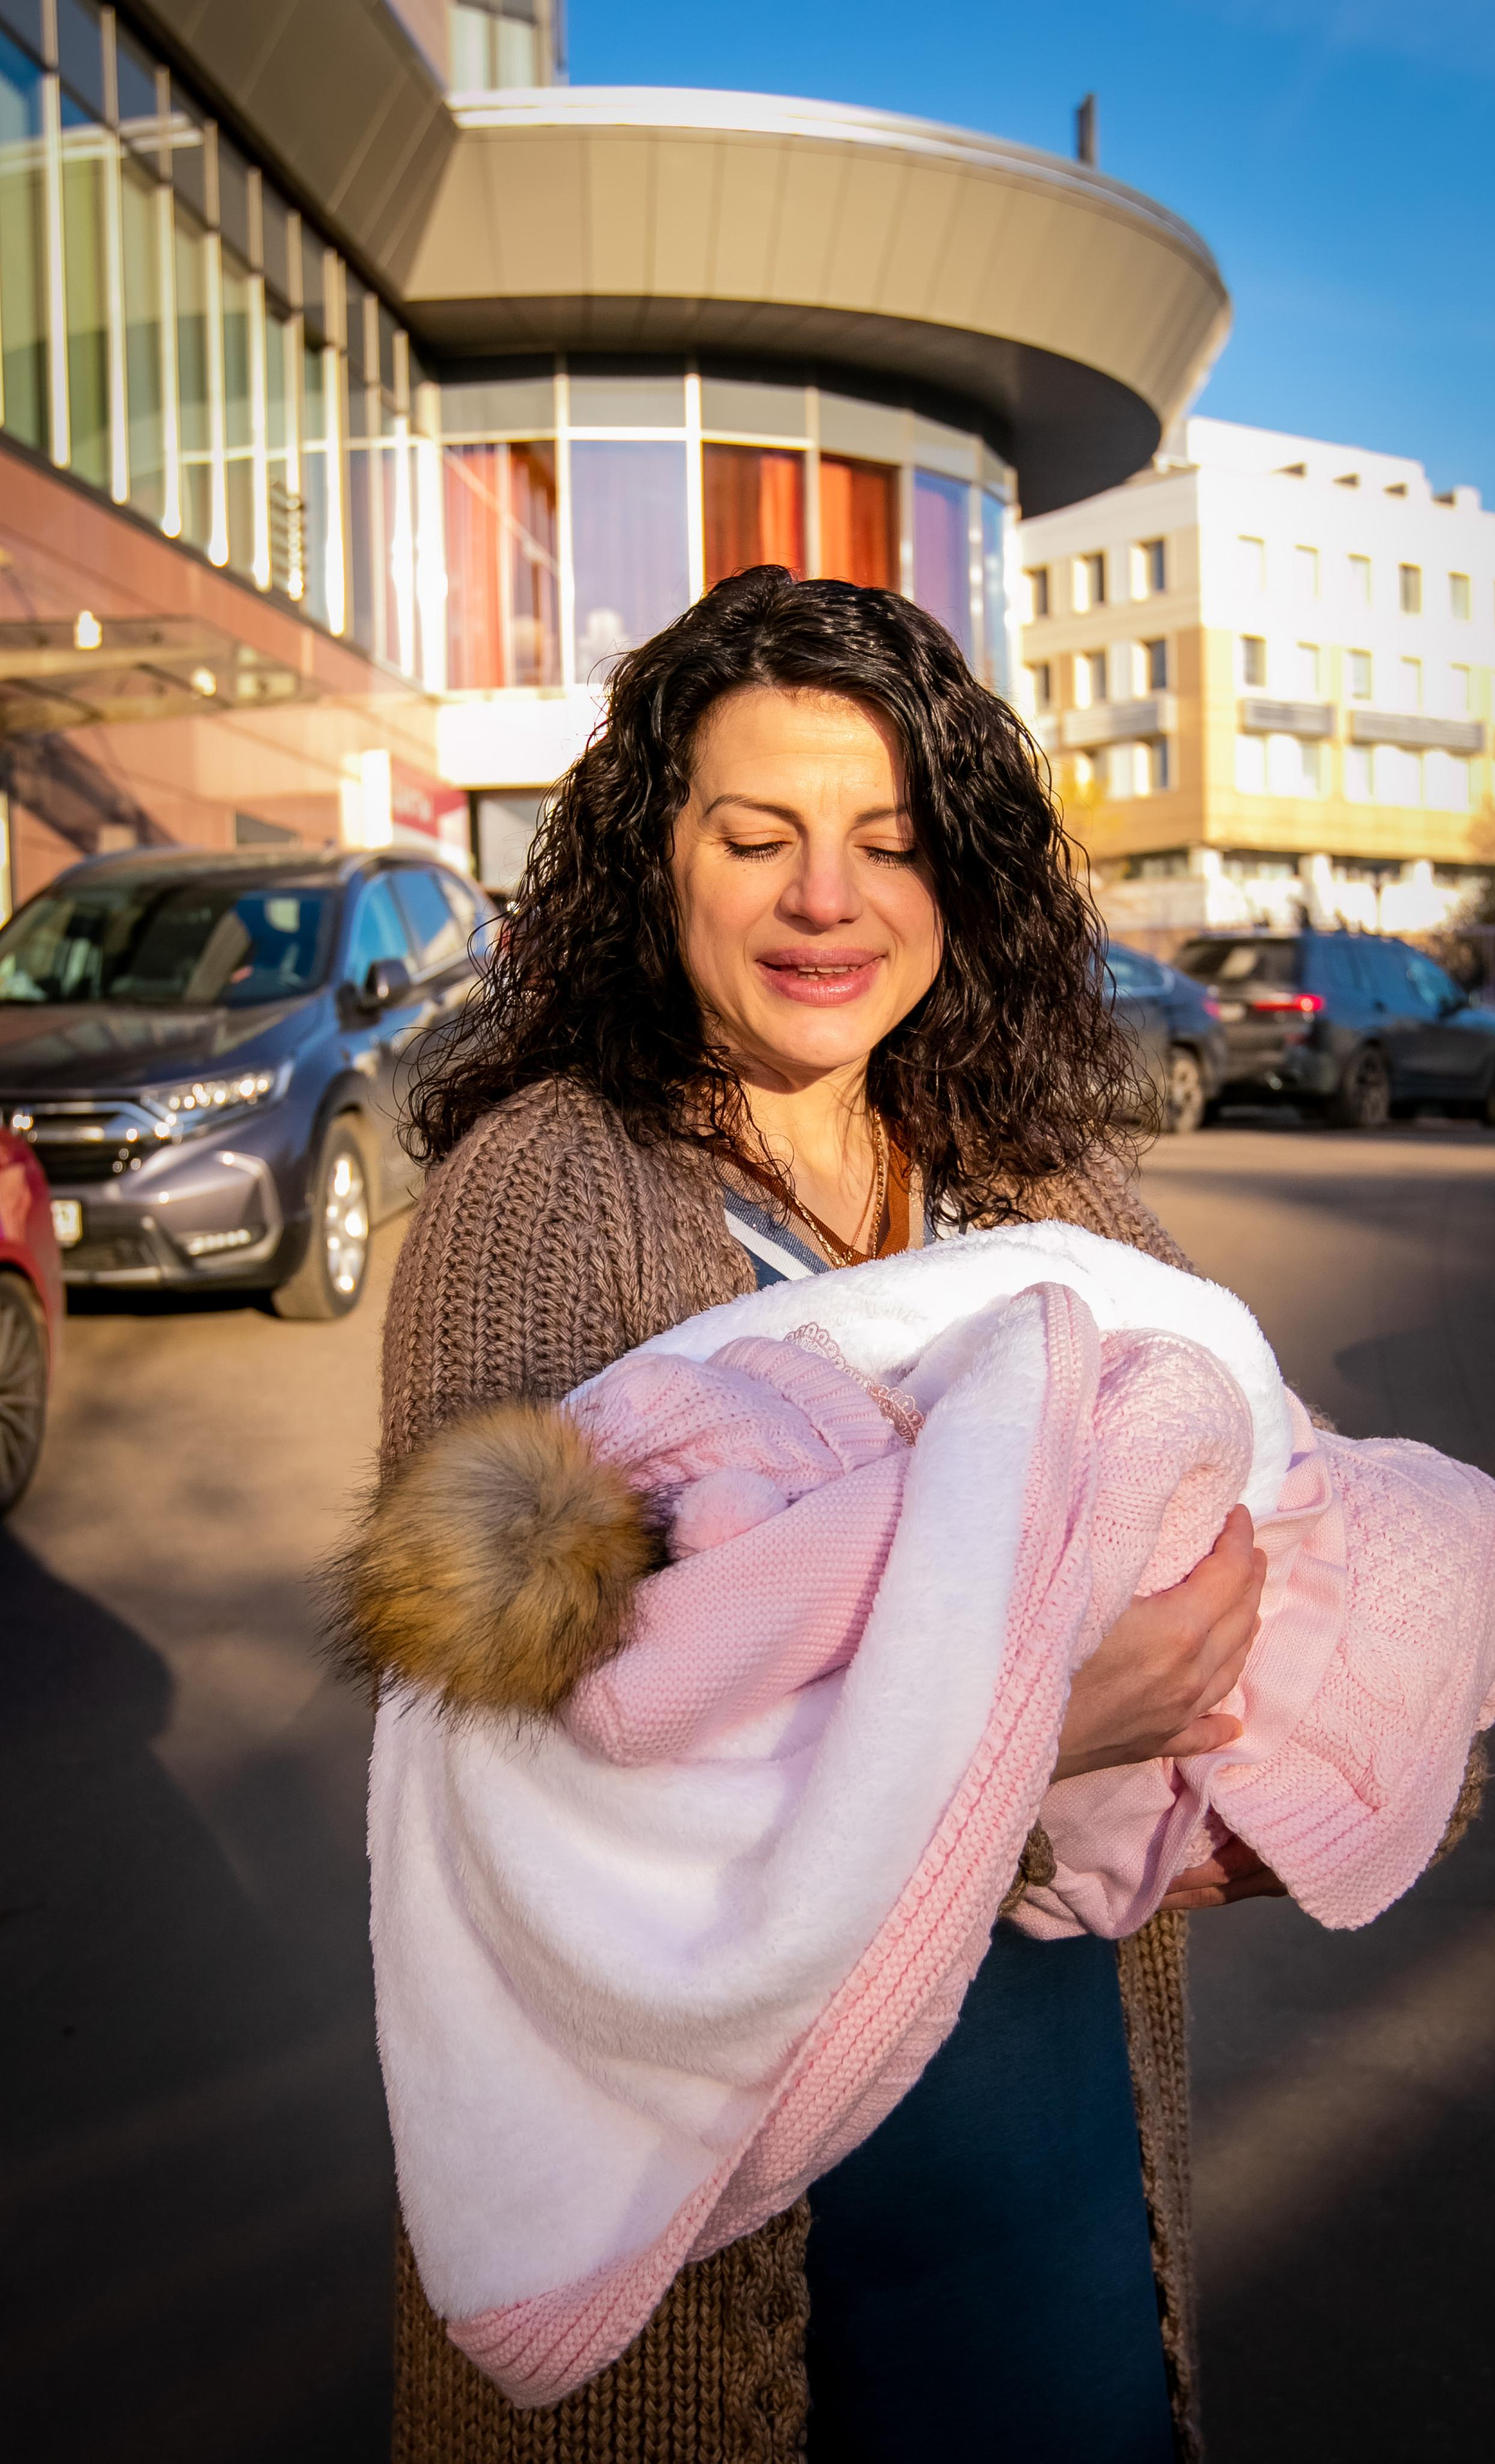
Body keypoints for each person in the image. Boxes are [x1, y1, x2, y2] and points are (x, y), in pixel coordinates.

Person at [381, 566, 1284, 2464]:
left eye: (886, 839)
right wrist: (1048, 1717)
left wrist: (1286, 1774)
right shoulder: (547, 1189)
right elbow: (514, 1752)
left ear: (958, 874)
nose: (826, 900)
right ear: (658, 865)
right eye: (758, 834)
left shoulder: (1036, 1174)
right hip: (731, 2197)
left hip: (1046, 2126)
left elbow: (1295, 1506)